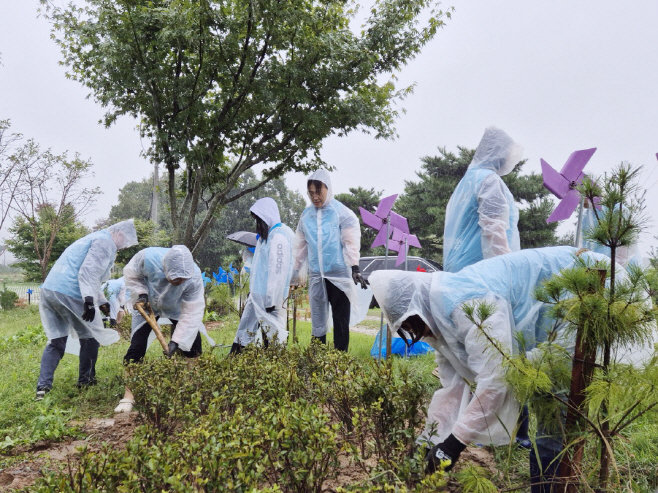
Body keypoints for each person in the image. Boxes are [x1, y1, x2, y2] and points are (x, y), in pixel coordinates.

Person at [369, 246, 614, 492]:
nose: (419, 334)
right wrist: (429, 442)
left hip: (581, 291)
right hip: (553, 318)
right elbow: (451, 387)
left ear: (417, 310)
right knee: (546, 420)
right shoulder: (439, 316)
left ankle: (553, 487)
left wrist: (453, 445)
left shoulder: (468, 304)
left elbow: (497, 380)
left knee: (552, 425)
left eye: (413, 326)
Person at [35, 219, 138, 400]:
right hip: (70, 292)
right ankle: (86, 381)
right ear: (119, 233)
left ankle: (42, 388)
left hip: (50, 290)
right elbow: (87, 273)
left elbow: (91, 278)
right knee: (91, 337)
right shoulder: (105, 242)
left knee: (56, 341)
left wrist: (102, 301)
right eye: (125, 240)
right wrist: (89, 302)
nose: (123, 246)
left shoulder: (92, 238)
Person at [114, 245, 213, 413]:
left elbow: (191, 312)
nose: (178, 282)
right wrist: (141, 293)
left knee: (193, 345)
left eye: (182, 279)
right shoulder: (147, 258)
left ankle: (193, 388)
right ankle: (129, 395)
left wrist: (176, 341)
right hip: (146, 303)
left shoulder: (194, 278)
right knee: (137, 346)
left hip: (177, 306)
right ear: (165, 267)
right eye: (175, 278)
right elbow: (131, 274)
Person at [292, 169, 369, 352]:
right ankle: (318, 359)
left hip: (338, 275)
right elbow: (299, 247)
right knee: (318, 318)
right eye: (311, 193)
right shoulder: (306, 216)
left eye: (319, 192)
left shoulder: (342, 213)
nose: (315, 197)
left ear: (328, 188)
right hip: (317, 275)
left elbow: (351, 242)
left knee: (340, 320)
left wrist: (355, 267)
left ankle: (339, 362)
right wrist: (293, 273)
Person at [443, 126, 523, 274]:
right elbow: (493, 228)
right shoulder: (489, 180)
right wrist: (507, 270)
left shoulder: (467, 181)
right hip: (479, 270)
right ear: (502, 153)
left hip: (457, 269)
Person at [231, 198, 295, 353]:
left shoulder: (278, 239)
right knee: (244, 330)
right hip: (257, 297)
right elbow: (259, 269)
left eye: (259, 220)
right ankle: (234, 361)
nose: (257, 225)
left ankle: (273, 369)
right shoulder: (264, 239)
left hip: (270, 301)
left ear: (267, 218)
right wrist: (252, 291)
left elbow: (277, 271)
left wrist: (271, 300)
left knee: (273, 336)